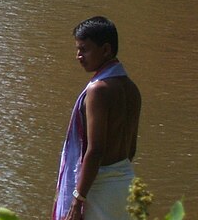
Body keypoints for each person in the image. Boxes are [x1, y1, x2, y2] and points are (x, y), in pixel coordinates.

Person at [53, 16, 142, 220]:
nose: (78, 55)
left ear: (106, 50)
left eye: (84, 49)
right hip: (126, 185)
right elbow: (131, 149)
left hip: (99, 188)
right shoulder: (132, 89)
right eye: (77, 49)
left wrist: (78, 198)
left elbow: (96, 150)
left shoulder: (98, 90)